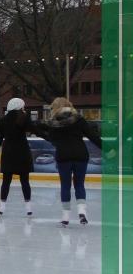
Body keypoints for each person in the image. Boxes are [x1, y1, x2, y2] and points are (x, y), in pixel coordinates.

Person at [39, 97, 102, 226]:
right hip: (80, 154)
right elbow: (93, 136)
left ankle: (66, 217)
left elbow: (52, 140)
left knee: (65, 185)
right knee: (79, 184)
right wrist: (108, 149)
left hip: (63, 156)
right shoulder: (79, 119)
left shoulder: (53, 123)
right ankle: (82, 212)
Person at [0, 98, 36, 216]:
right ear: (19, 107)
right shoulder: (24, 118)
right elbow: (34, 129)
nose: (24, 109)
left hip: (9, 153)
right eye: (23, 107)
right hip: (22, 153)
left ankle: (2, 206)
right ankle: (28, 208)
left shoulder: (4, 120)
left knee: (6, 181)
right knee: (25, 181)